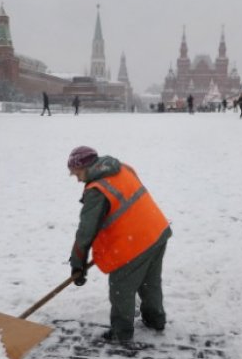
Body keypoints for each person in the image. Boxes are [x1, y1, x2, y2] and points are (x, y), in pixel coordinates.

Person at [67, 146, 171, 343]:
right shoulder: (123, 168)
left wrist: (77, 263)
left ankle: (121, 333)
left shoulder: (97, 190)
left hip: (134, 243)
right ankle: (155, 319)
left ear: (87, 167)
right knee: (150, 282)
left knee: (121, 287)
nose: (78, 179)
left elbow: (85, 232)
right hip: (157, 230)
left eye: (77, 173)